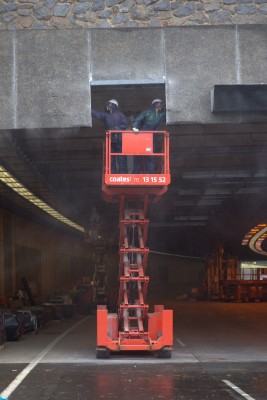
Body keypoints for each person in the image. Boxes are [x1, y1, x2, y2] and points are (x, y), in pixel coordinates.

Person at [92, 99, 128, 173]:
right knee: (111, 159)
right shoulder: (105, 115)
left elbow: (124, 125)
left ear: (114, 105)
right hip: (110, 140)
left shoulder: (120, 115)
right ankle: (112, 174)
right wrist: (88, 108)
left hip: (119, 140)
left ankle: (123, 175)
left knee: (122, 158)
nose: (108, 106)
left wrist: (115, 129)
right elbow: (96, 114)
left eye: (110, 104)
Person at [132, 99, 166, 174]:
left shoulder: (161, 115)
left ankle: (150, 173)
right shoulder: (147, 112)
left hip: (153, 137)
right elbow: (138, 119)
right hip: (143, 136)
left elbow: (169, 116)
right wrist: (135, 127)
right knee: (138, 153)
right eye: (157, 104)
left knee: (150, 155)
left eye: (160, 104)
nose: (159, 106)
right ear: (154, 105)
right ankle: (136, 172)